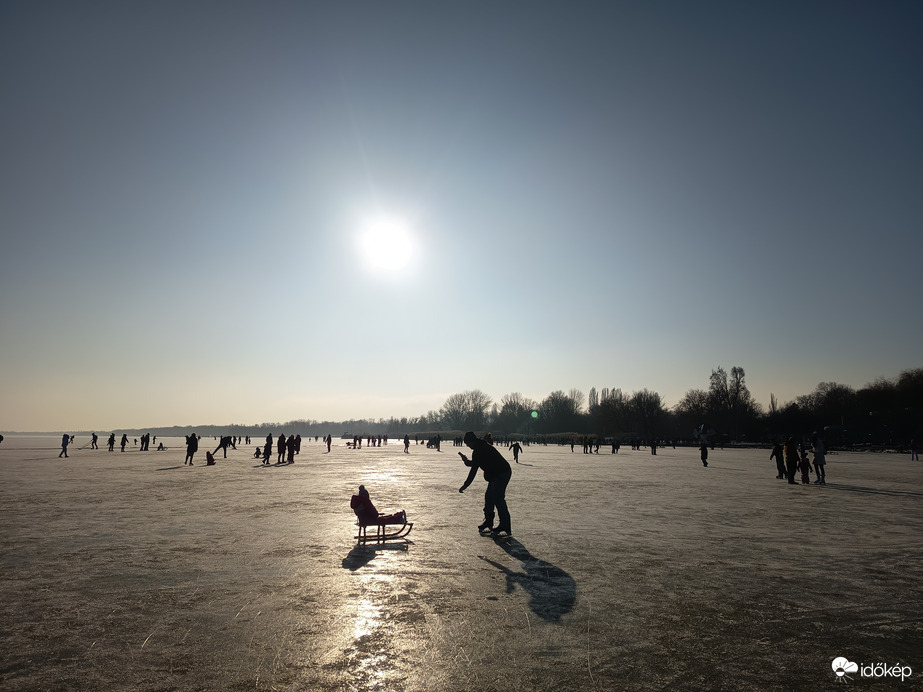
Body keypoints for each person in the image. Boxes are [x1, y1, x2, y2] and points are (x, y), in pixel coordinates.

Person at [459, 431, 513, 536]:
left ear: (472, 441)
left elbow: (473, 470)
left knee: (498, 499)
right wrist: (466, 461)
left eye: (468, 444)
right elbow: (476, 463)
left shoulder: (480, 449)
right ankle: (489, 521)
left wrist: (465, 485)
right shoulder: (479, 447)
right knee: (489, 498)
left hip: (502, 473)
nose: (468, 446)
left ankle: (505, 525)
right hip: (495, 475)